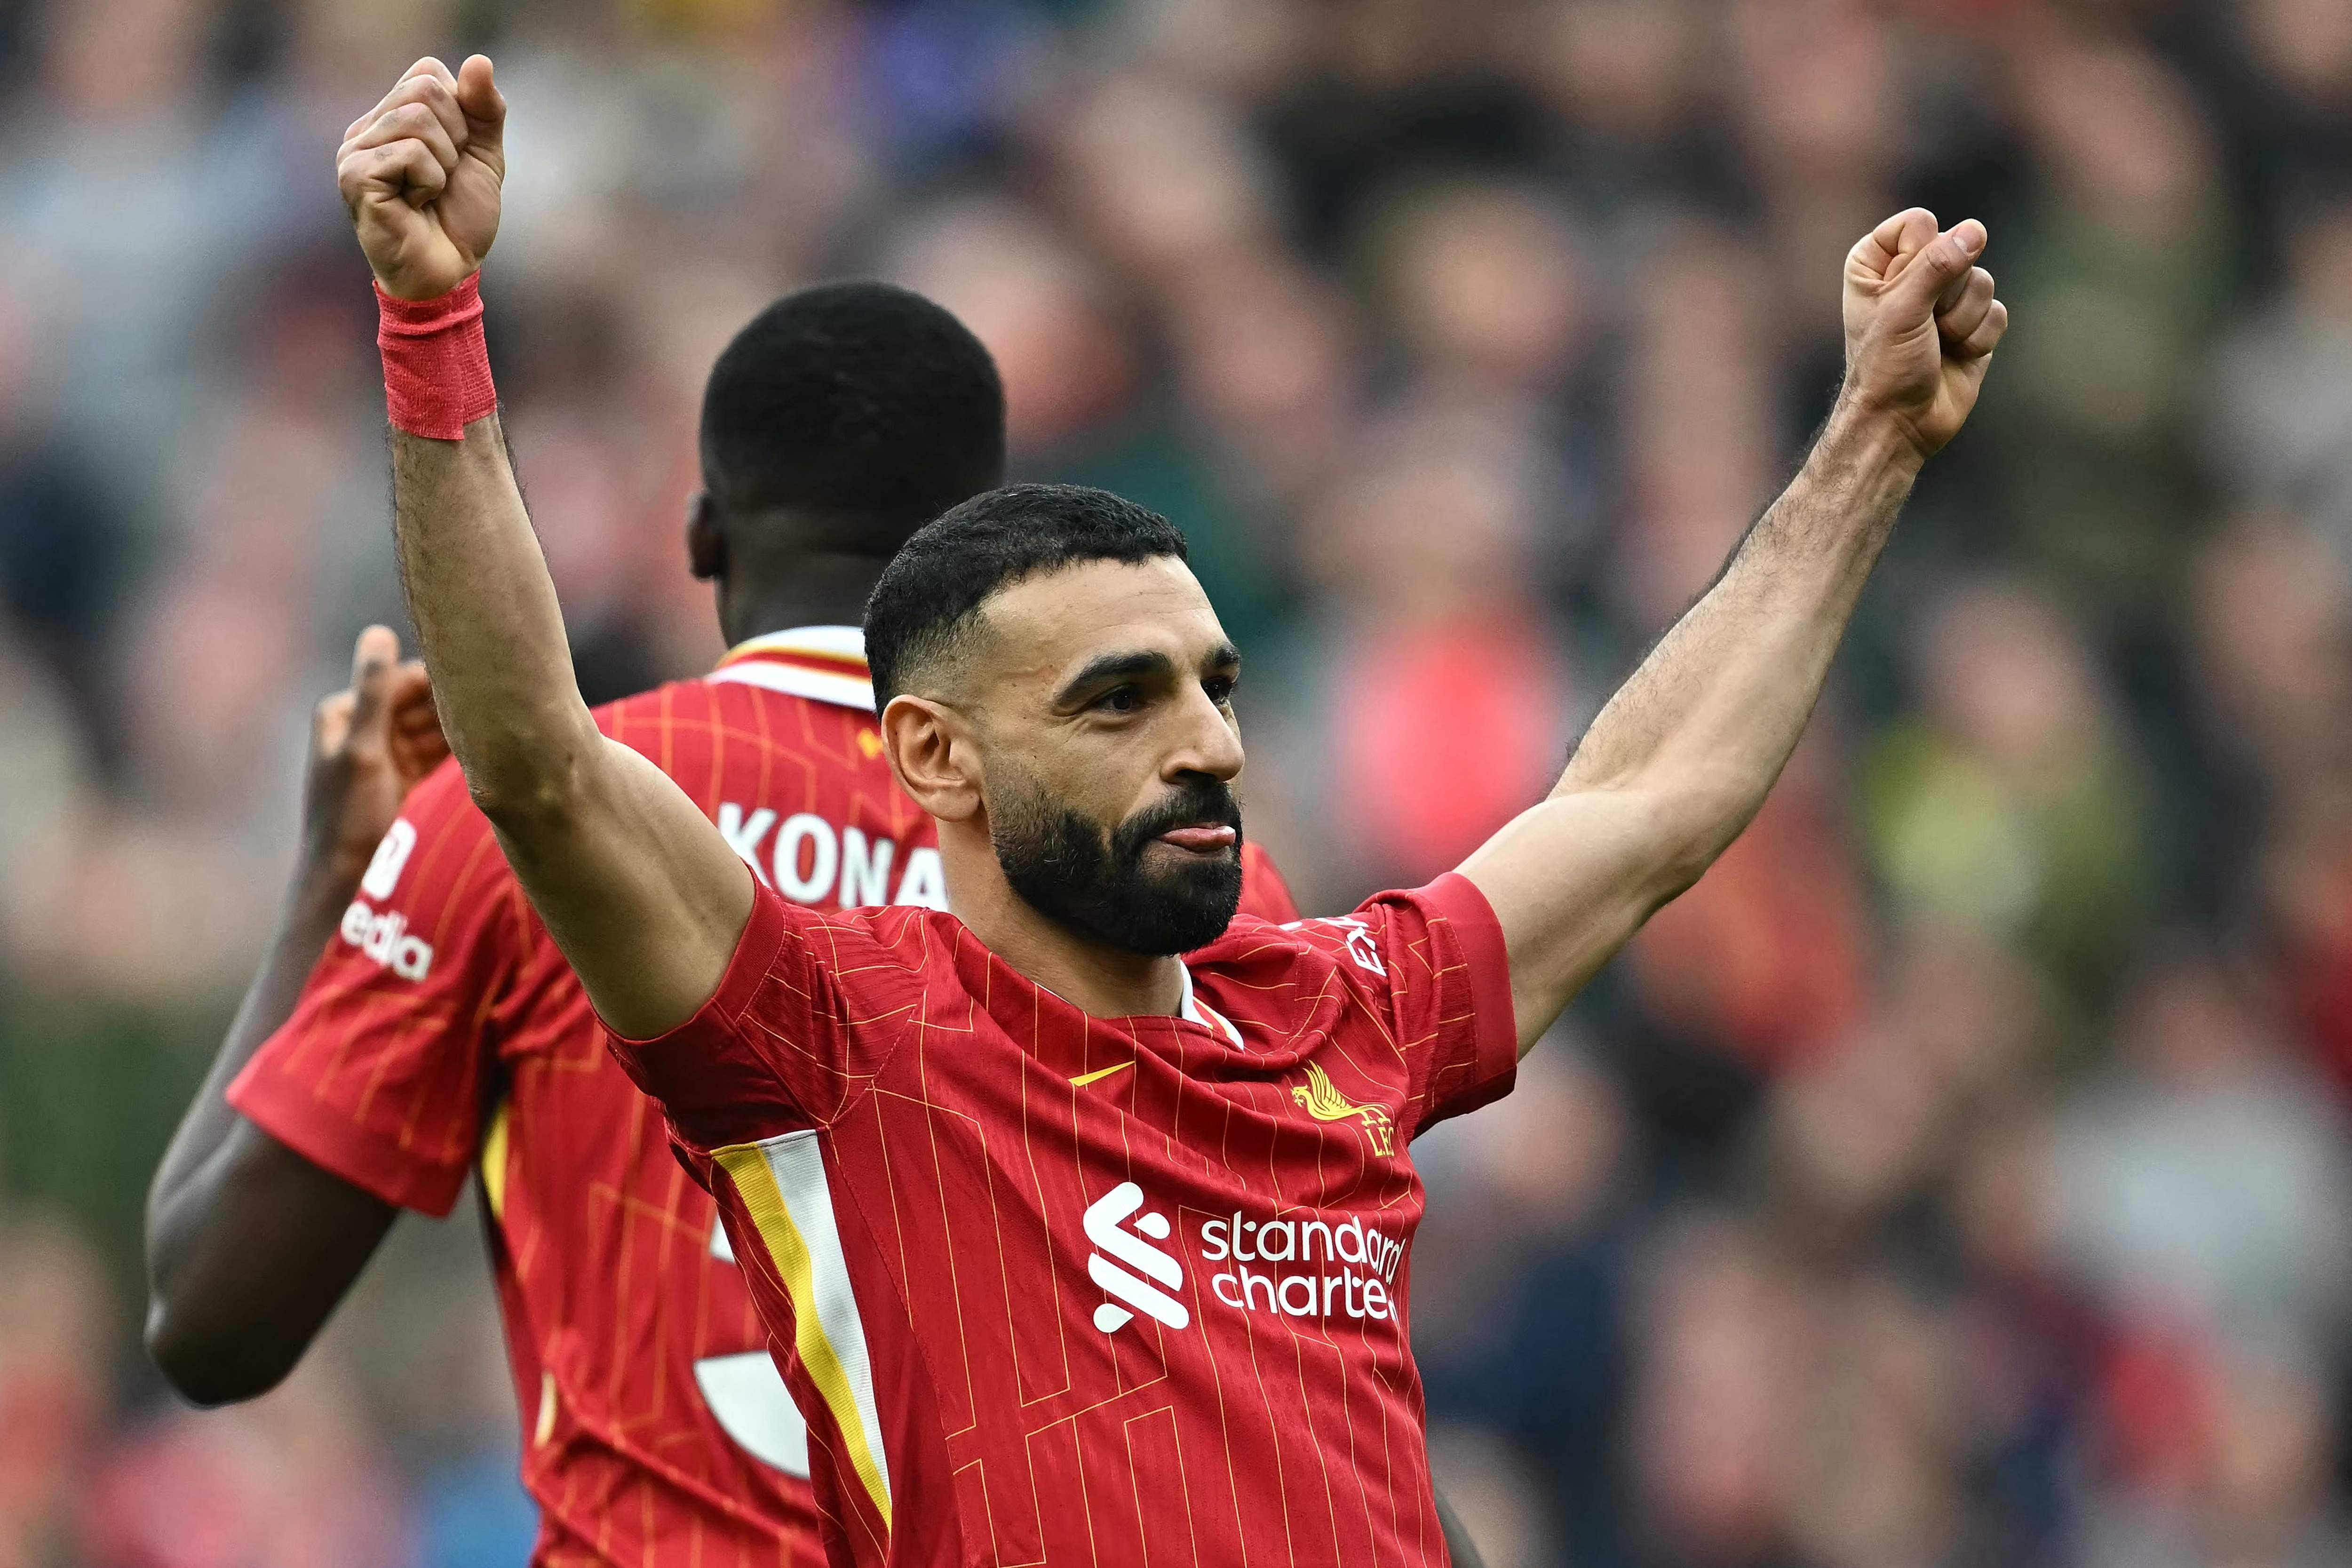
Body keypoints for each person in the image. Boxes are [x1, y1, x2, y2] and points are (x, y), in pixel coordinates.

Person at [329, 53, 2005, 1567]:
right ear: (935, 759)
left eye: (1216, 686)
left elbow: (1651, 797)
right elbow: (540, 767)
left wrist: (1869, 440)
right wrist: (430, 321)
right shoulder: (832, 1048)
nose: (1204, 740)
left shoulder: (1345, 1013)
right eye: (1118, 700)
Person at [144, 268, 1308, 1560]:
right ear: (994, 544)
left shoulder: (531, 823)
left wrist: (330, 887)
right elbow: (1312, 1367)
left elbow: (211, 1322)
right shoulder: (1181, 864)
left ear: (702, 537)